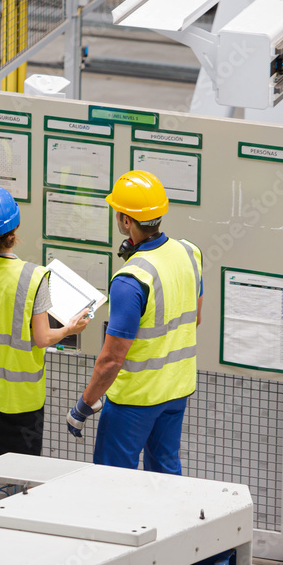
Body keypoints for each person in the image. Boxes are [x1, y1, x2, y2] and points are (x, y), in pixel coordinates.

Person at [0, 179, 89, 495]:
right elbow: (41, 338)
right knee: (17, 483)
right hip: (20, 403)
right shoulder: (33, 277)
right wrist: (69, 329)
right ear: (15, 226)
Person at [66, 171, 202, 475]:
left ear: (127, 221)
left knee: (112, 482)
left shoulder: (131, 279)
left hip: (134, 401)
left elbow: (111, 360)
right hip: (176, 392)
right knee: (165, 476)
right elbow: (196, 318)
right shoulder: (190, 253)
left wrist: (84, 406)